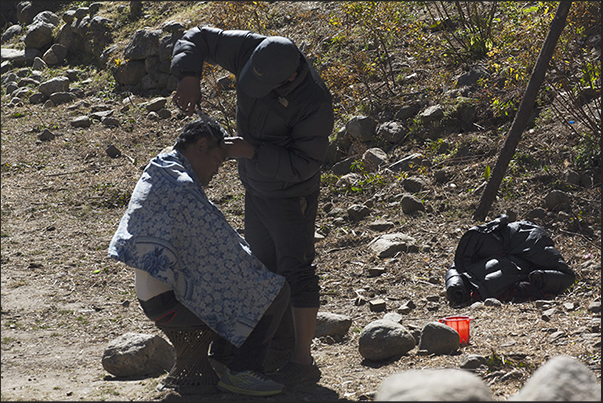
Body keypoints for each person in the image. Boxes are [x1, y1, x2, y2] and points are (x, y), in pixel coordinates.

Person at [170, 26, 334, 386]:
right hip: (256, 188)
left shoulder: (314, 101)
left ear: (288, 78)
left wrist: (253, 151)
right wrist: (189, 75)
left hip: (293, 196)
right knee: (262, 269)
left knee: (296, 269)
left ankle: (302, 363)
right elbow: (196, 36)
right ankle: (275, 348)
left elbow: (305, 163)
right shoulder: (251, 50)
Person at [107, 115, 290, 397]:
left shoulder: (161, 167)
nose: (217, 170)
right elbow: (224, 249)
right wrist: (255, 269)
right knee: (274, 290)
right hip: (170, 302)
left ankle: (222, 360)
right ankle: (242, 371)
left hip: (152, 296)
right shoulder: (182, 188)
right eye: (218, 159)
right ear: (201, 145)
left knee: (240, 280)